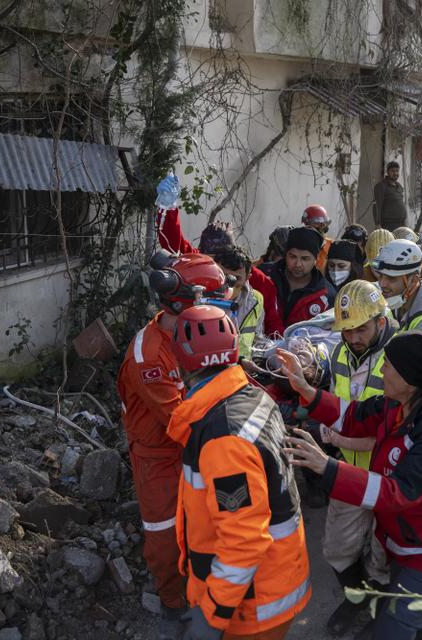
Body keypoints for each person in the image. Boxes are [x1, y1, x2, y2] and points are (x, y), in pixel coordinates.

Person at [280, 331, 422, 640]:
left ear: (410, 378)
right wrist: (306, 389)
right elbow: (354, 416)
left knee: (394, 628)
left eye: (388, 364)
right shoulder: (398, 405)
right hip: (407, 543)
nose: (382, 370)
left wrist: (328, 467)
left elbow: (398, 494)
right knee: (417, 619)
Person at [166, 305, 311, 640]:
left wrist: (211, 615)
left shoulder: (223, 437)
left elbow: (243, 540)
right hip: (269, 585)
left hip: (251, 606)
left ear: (181, 362)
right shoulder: (249, 397)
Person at [116, 253, 229, 638]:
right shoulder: (149, 356)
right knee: (165, 535)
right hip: (160, 456)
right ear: (190, 301)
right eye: (215, 299)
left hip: (195, 444)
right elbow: (180, 421)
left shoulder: (197, 335)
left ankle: (206, 588)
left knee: (206, 524)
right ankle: (173, 604)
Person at [314, 280, 395, 636]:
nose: (352, 338)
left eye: (360, 329)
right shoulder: (339, 353)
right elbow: (336, 401)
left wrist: (346, 437)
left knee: (384, 555)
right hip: (348, 473)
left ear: (380, 320)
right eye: (346, 331)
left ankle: (380, 607)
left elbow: (402, 428)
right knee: (336, 548)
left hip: (388, 478)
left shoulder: (404, 355)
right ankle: (357, 597)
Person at [153, 190, 282, 337]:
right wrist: (168, 208)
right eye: (210, 259)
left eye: (220, 259)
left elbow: (273, 324)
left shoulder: (256, 279)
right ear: (201, 253)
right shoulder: (197, 264)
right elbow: (173, 243)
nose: (214, 267)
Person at [268, 226, 337, 332]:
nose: (298, 264)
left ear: (316, 259)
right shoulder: (265, 278)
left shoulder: (327, 296)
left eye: (305, 259)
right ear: (286, 255)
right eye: (293, 257)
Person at [211, 245, 264, 358]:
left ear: (248, 277)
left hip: (242, 370)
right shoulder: (201, 297)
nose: (228, 283)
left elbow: (258, 340)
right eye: (224, 276)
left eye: (236, 278)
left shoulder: (256, 300)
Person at [373, 162, 408, 231]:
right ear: (387, 172)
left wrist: (404, 222)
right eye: (392, 171)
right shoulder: (381, 186)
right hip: (388, 226)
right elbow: (377, 206)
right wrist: (377, 224)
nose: (395, 173)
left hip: (401, 225)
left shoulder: (399, 186)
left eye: (397, 171)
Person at [302, 205, 334, 272]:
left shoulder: (331, 245)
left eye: (323, 223)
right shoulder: (301, 245)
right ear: (306, 225)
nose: (321, 226)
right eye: (316, 223)